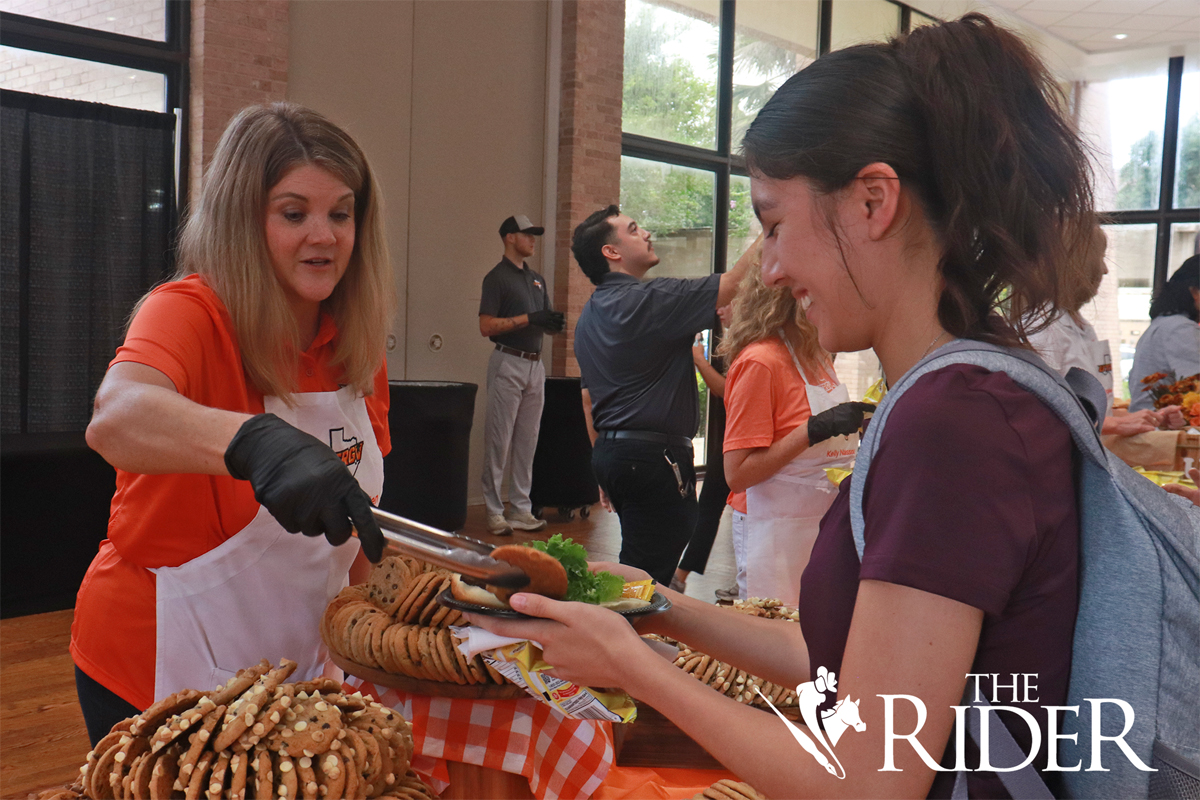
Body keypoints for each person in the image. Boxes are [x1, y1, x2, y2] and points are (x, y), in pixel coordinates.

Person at [470, 14, 1093, 798]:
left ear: (873, 201)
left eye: (772, 224)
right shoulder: (966, 391)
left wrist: (634, 672)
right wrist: (654, 607)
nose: (768, 267)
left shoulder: (952, 422)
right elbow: (843, 659)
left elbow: (869, 780)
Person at [72, 103, 393, 746]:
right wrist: (252, 442)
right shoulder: (189, 313)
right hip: (160, 666)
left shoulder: (355, 345)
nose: (324, 236)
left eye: (341, 212)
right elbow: (116, 416)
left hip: (297, 673)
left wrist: (393, 626)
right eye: (293, 212)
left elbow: (356, 533)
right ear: (244, 220)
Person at [570, 205, 753, 585]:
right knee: (642, 577)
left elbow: (589, 402)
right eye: (634, 229)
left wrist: (605, 473)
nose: (647, 233)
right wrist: (781, 222)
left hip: (613, 455)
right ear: (612, 252)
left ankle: (631, 628)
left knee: (643, 560)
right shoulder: (648, 301)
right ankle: (618, 637)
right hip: (650, 459)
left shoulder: (589, 315)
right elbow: (734, 282)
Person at [720, 263, 860, 603]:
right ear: (792, 298)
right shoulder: (760, 362)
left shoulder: (817, 356)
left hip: (819, 519)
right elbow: (736, 475)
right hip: (772, 529)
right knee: (773, 632)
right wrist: (809, 432)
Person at [478, 214, 564, 535]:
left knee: (528, 440)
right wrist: (530, 318)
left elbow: (540, 320)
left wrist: (550, 322)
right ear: (510, 237)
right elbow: (486, 327)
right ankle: (493, 510)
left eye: (534, 235)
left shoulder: (536, 279)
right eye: (527, 234)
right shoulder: (496, 278)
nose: (532, 239)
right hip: (508, 361)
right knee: (499, 440)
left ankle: (521, 509)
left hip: (534, 364)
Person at [672, 301, 735, 596]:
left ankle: (680, 577)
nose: (719, 312)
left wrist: (700, 361)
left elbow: (726, 391)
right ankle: (680, 577)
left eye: (727, 304)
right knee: (710, 504)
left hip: (745, 438)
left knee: (715, 505)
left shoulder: (756, 345)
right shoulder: (742, 342)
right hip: (733, 436)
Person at [1129, 255, 1200, 412]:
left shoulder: (1164, 323)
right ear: (1195, 291)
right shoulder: (1181, 329)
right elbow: (1196, 389)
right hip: (1163, 429)